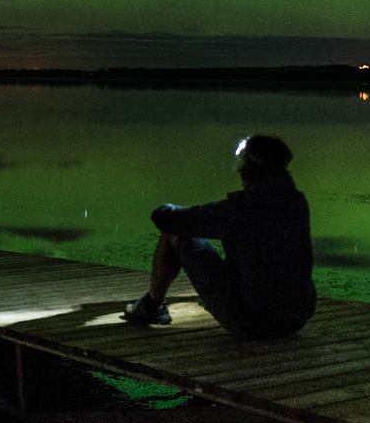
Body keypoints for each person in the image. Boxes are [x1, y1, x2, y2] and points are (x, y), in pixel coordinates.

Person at [122, 134, 316, 339]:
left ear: (249, 169)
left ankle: (152, 305)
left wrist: (167, 209)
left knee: (176, 231)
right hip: (295, 319)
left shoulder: (240, 209)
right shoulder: (296, 202)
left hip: (252, 323)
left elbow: (166, 219)